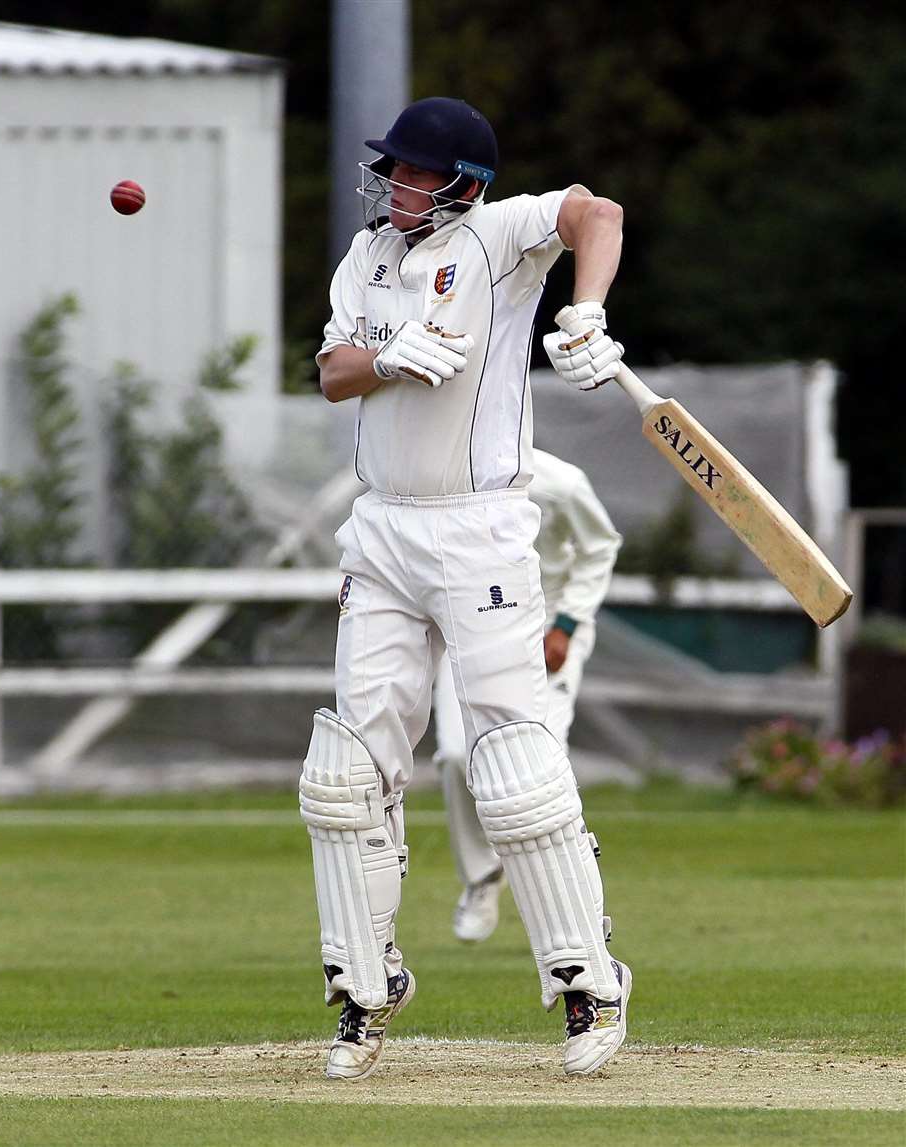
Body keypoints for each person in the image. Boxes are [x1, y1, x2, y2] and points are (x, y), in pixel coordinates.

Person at [298, 96, 632, 1083]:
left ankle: (589, 980)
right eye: (391, 170)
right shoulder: (366, 259)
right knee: (348, 770)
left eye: (414, 172)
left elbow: (597, 214)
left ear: (461, 183)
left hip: (480, 528)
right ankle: (365, 987)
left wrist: (584, 309)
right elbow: (331, 373)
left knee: (513, 763)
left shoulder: (496, 235)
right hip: (384, 528)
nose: (395, 185)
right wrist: (386, 360)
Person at [433, 447, 621, 943]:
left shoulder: (561, 480)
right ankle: (482, 877)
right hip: (472, 629)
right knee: (456, 756)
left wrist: (566, 624)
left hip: (545, 633)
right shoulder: (444, 474)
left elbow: (601, 546)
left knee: (541, 767)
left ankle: (581, 908)